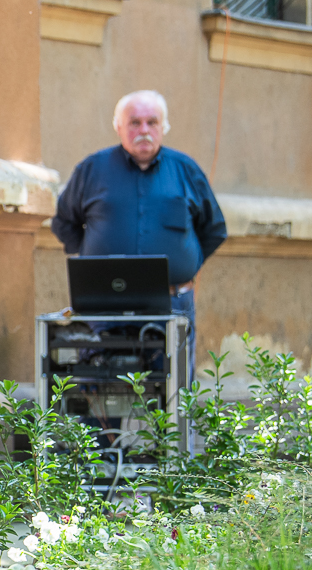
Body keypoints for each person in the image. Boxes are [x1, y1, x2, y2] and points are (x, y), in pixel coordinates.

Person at [51, 89, 227, 378]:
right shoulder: (92, 170)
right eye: (134, 122)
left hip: (171, 304)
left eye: (152, 122)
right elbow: (63, 222)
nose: (144, 130)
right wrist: (91, 253)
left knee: (174, 390)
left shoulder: (186, 171)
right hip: (105, 306)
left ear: (163, 127)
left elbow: (214, 229)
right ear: (118, 126)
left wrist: (188, 262)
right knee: (102, 390)